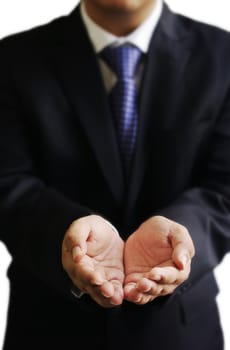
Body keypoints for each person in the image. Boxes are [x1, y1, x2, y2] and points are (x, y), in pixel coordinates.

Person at [0, 0, 230, 349]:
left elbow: (224, 187)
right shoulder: (13, 58)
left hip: (180, 333)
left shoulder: (222, 55)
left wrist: (181, 236)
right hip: (48, 328)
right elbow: (7, 182)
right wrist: (68, 235)